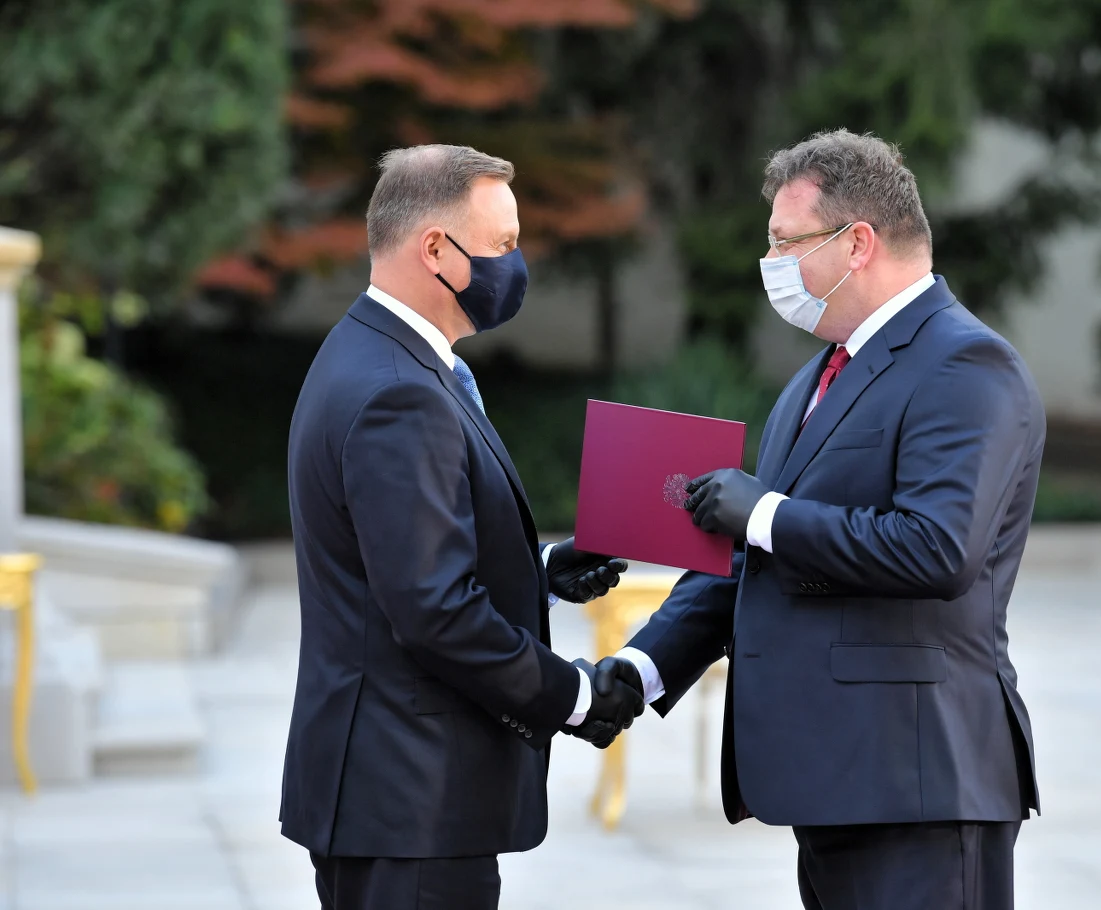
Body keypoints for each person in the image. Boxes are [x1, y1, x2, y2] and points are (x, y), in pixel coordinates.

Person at [596, 129, 1044, 910]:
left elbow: (937, 549)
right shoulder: (819, 372)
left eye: (784, 244)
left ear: (858, 243)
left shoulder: (966, 364)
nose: (771, 267)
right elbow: (752, 559)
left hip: (919, 784)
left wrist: (766, 512)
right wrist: (637, 673)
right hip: (837, 784)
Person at [281, 144, 643, 910]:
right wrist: (575, 695)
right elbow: (435, 611)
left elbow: (395, 560)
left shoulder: (371, 354)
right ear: (437, 250)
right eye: (503, 246)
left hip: (392, 797)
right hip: (412, 799)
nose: (517, 265)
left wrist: (536, 566)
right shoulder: (398, 394)